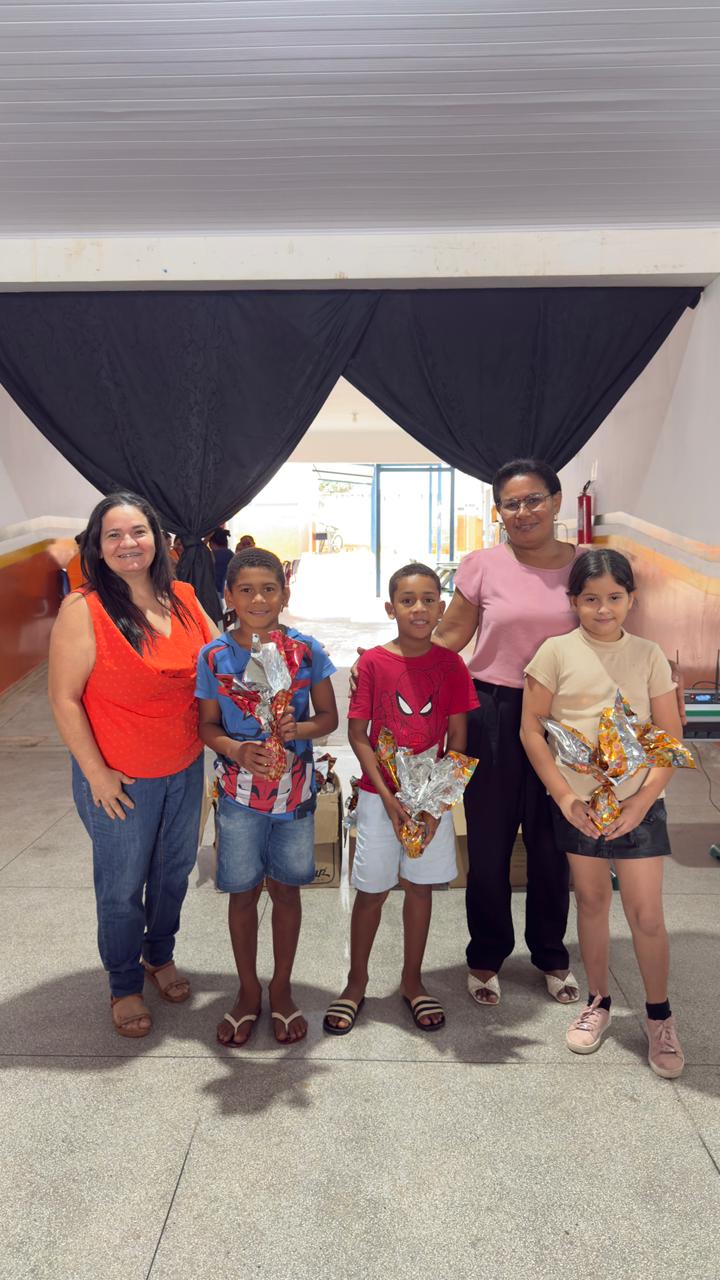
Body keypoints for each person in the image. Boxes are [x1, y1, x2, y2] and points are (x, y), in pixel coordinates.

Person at [48, 492, 218, 1038]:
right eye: (114, 535)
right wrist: (96, 774)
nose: (128, 543)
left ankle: (158, 955)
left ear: (158, 539)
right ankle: (123, 984)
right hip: (119, 777)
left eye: (138, 531)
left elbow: (224, 661)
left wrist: (288, 662)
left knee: (174, 872)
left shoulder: (184, 597)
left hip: (184, 765)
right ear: (98, 547)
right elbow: (64, 698)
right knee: (122, 885)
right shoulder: (85, 609)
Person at [521, 550, 685, 1078]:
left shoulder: (649, 655)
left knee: (646, 914)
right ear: (573, 601)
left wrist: (641, 801)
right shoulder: (554, 652)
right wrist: (564, 797)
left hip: (641, 806)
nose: (603, 608)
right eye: (590, 598)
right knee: (591, 902)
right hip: (580, 808)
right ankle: (598, 1002)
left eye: (614, 597)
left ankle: (659, 1016)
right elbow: (532, 730)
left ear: (632, 599)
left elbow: (670, 736)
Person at [429, 458, 583, 1007]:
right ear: (499, 512)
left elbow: (614, 631)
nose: (523, 512)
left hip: (564, 715)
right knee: (489, 841)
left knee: (553, 840)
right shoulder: (482, 566)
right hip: (492, 710)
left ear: (556, 501)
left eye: (533, 499)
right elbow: (449, 636)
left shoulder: (587, 565)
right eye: (510, 504)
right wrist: (390, 665)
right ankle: (486, 954)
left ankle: (551, 954)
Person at [324, 563, 477, 1036]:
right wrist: (388, 799)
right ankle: (356, 982)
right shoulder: (373, 663)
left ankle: (413, 980)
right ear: (390, 608)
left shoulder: (451, 666)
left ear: (441, 607)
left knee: (420, 888)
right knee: (371, 891)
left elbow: (458, 741)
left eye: (429, 599)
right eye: (407, 600)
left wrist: (434, 806)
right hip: (378, 799)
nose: (419, 608)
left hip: (430, 801)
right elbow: (359, 734)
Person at [195, 547, 338, 1047]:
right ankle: (247, 990)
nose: (258, 599)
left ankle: (281, 987)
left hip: (294, 798)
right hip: (238, 801)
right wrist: (236, 748)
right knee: (242, 892)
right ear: (229, 596)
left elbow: (328, 717)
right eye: (247, 590)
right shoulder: (214, 656)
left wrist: (299, 728)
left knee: (287, 891)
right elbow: (206, 725)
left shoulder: (306, 651)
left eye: (269, 589)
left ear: (285, 593)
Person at [208, 528, 234, 607]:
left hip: (215, 593)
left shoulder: (210, 556)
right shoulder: (232, 555)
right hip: (229, 592)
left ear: (211, 543)